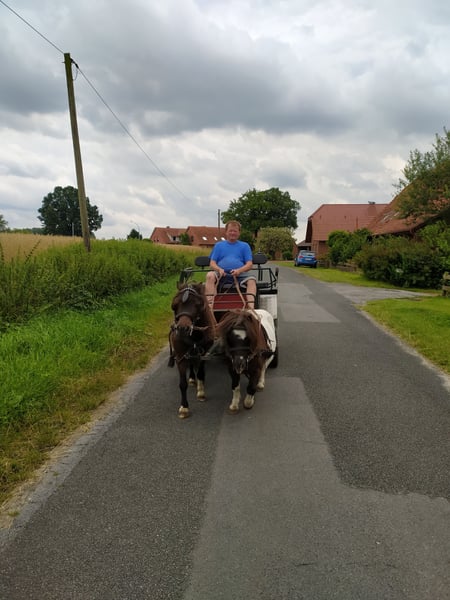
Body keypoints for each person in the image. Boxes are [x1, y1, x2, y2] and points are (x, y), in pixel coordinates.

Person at [205, 220, 256, 311]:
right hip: (221, 274)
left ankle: (251, 310)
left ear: (239, 233)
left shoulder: (245, 246)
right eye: (230, 231)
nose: (232, 233)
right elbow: (212, 263)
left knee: (252, 280)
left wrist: (239, 271)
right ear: (226, 232)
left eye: (235, 231)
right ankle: (209, 309)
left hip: (240, 275)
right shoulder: (218, 246)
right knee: (210, 275)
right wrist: (219, 269)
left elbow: (249, 264)